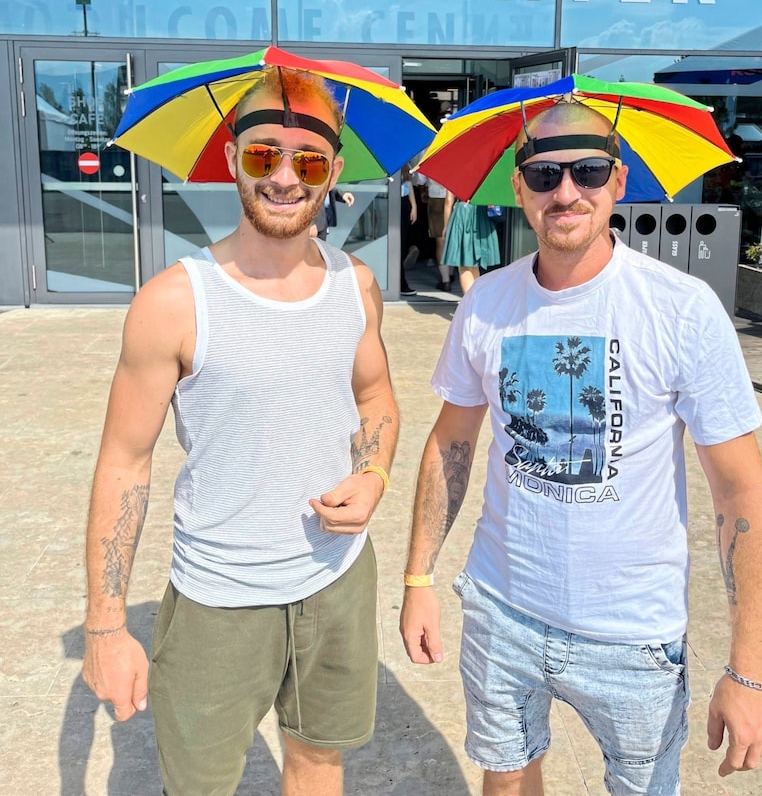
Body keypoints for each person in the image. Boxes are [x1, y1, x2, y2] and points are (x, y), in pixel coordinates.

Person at [400, 99, 762, 795]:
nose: (565, 191)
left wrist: (749, 670)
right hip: (502, 607)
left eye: (588, 169)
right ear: (518, 188)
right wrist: (419, 578)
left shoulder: (680, 308)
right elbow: (450, 440)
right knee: (507, 779)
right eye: (543, 174)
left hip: (632, 634)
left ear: (619, 179)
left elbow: (741, 492)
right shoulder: (485, 304)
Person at [82, 65, 399, 796]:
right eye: (263, 155)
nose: (285, 176)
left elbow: (377, 394)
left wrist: (374, 473)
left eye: (308, 160)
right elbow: (124, 463)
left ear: (332, 172)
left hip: (337, 579)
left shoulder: (357, 286)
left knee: (318, 759)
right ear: (231, 159)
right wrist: (105, 624)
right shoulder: (174, 302)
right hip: (216, 599)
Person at [441, 190, 500, 295]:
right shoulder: (483, 174)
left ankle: (470, 304)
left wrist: (446, 225)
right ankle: (475, 302)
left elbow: (449, 200)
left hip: (462, 213)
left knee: (464, 265)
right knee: (475, 264)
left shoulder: (455, 173)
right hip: (480, 213)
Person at [400, 164, 418, 296]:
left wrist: (414, 206)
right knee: (398, 245)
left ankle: (401, 282)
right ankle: (400, 283)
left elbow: (409, 185)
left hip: (404, 203)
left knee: (402, 243)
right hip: (393, 202)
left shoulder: (405, 165)